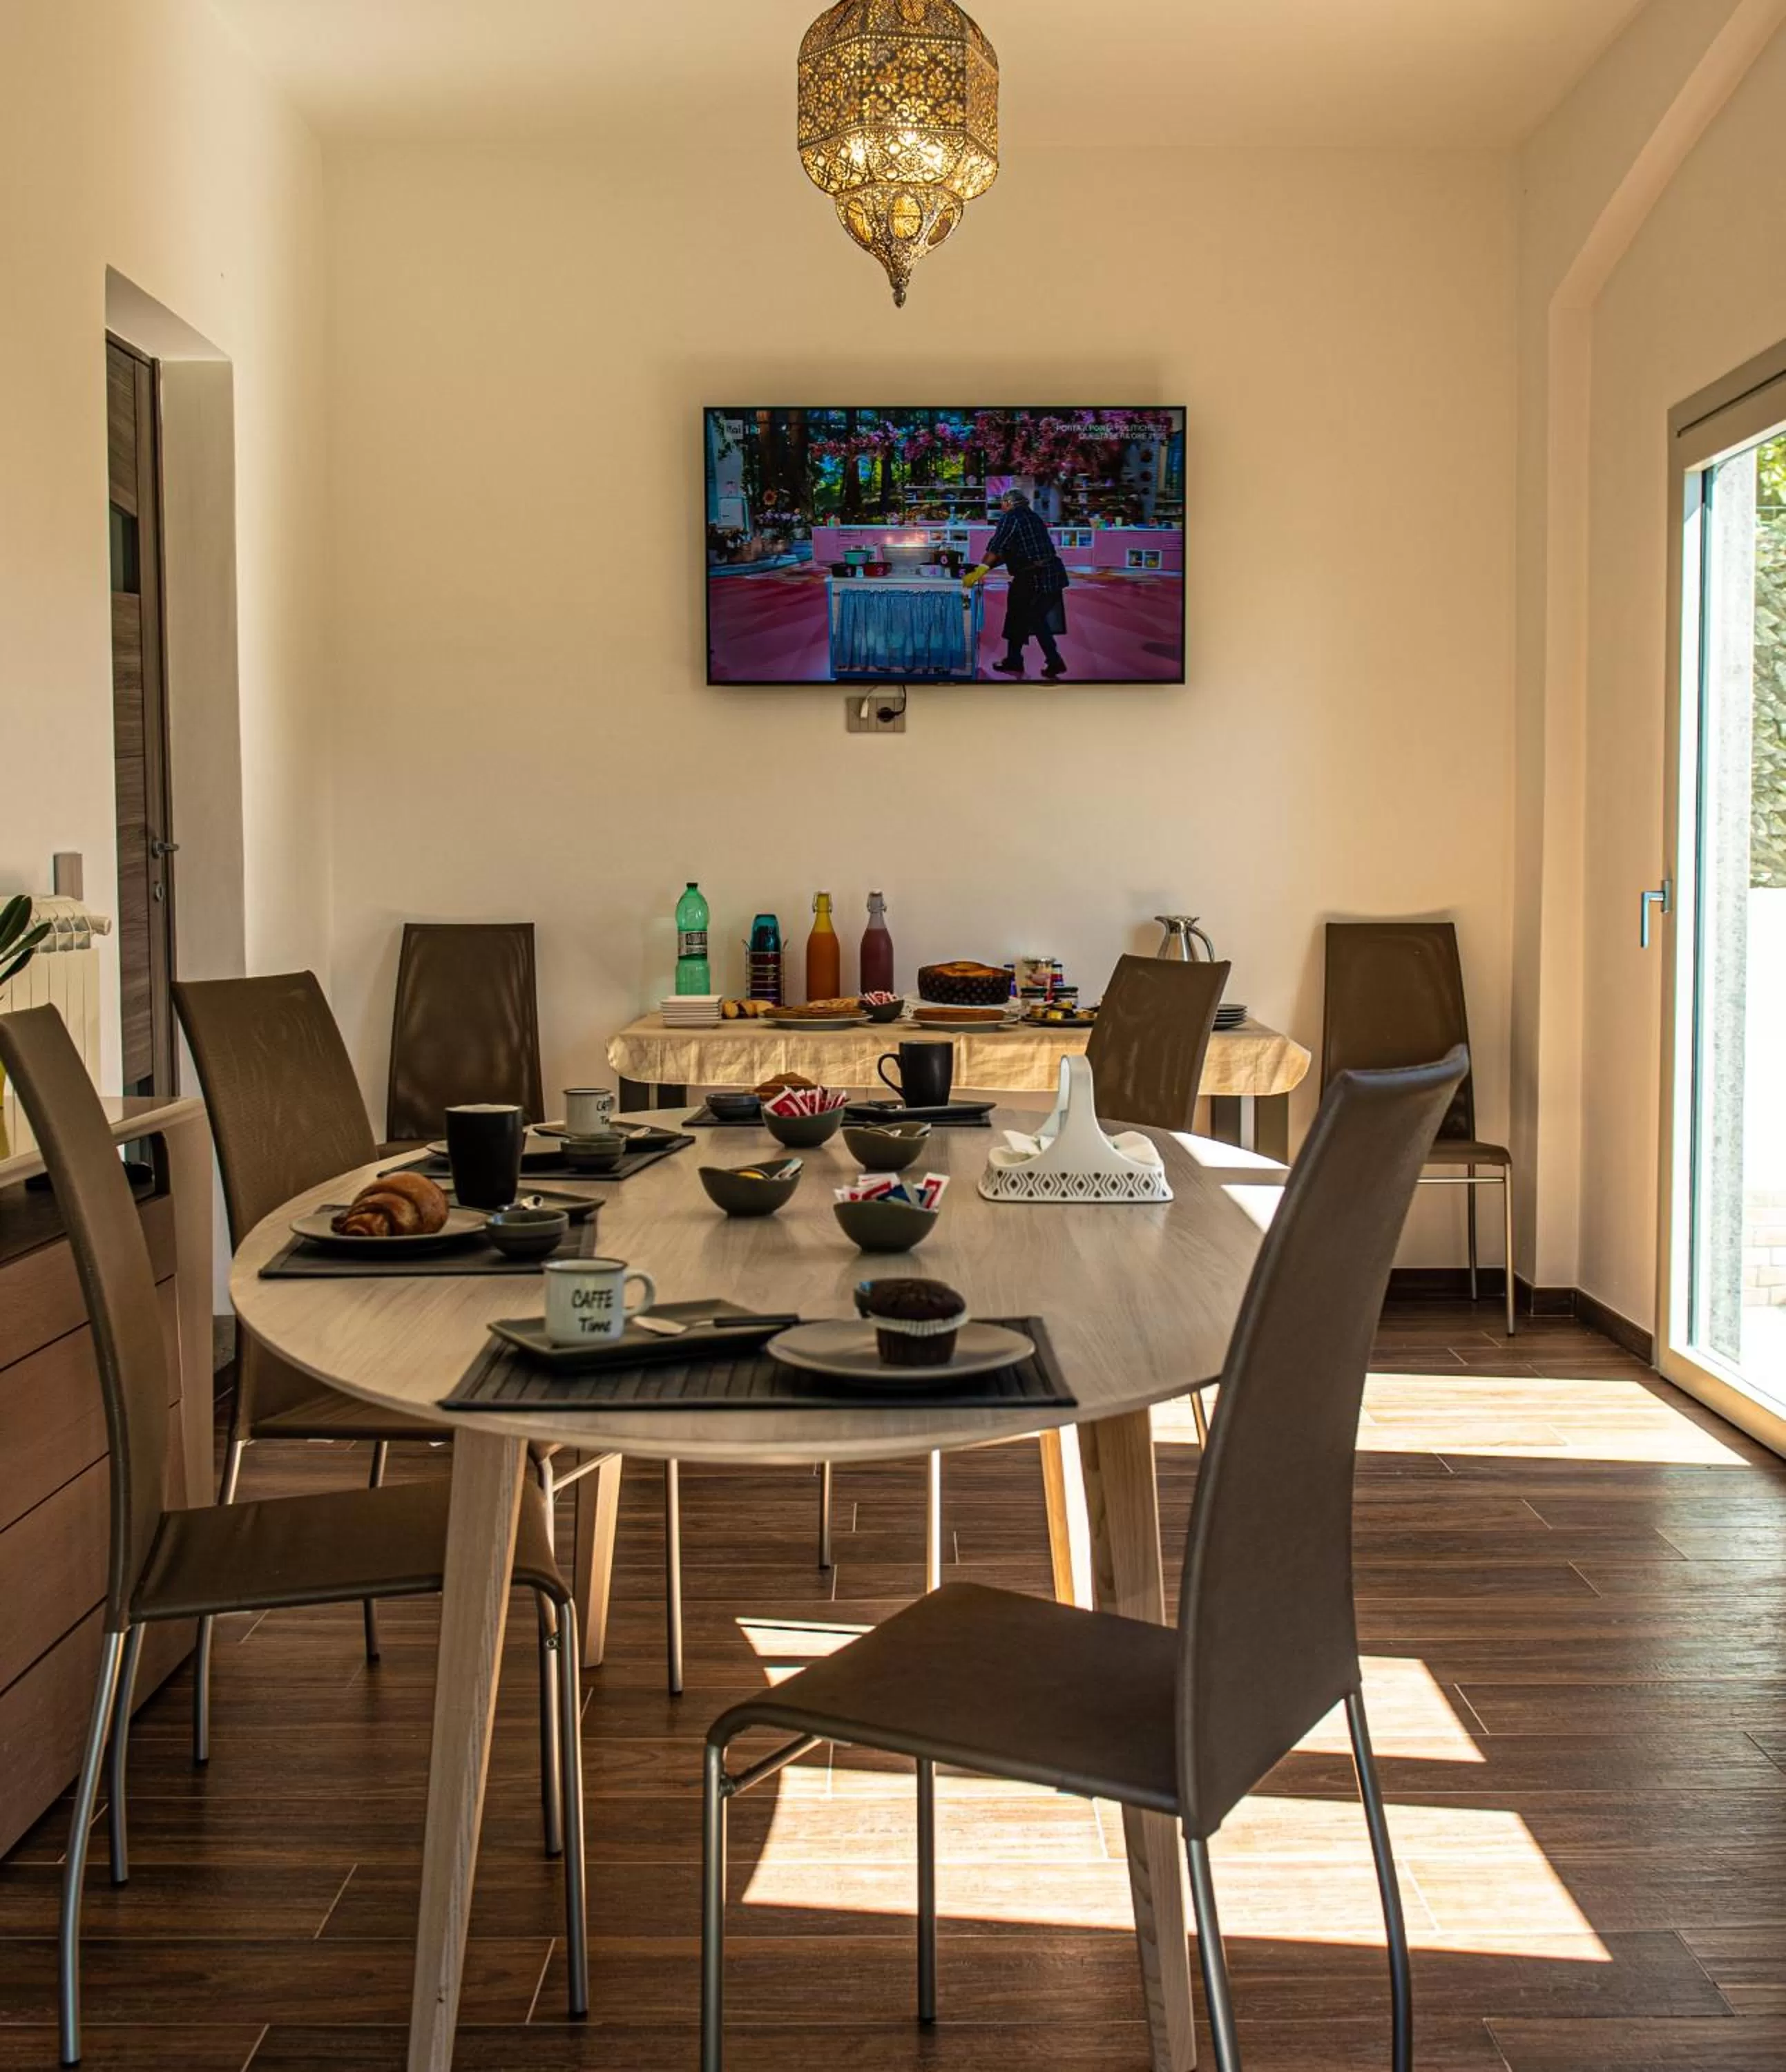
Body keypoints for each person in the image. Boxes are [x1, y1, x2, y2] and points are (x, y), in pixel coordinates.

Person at [981, 489, 1070, 679]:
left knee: (1029, 618)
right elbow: (1012, 552)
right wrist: (986, 567)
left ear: (1009, 503)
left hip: (1034, 577)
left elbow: (996, 547)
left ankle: (1053, 661)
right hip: (1051, 573)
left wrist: (980, 570)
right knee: (1023, 617)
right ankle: (1018, 659)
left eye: (1002, 503)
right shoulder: (1033, 517)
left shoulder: (1011, 518)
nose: (1001, 507)